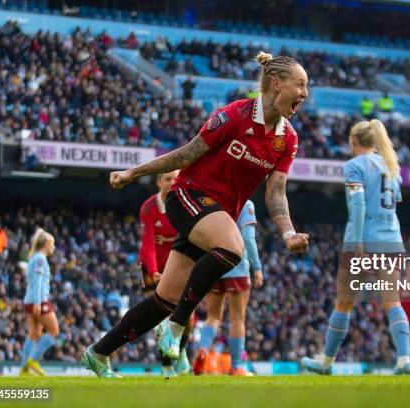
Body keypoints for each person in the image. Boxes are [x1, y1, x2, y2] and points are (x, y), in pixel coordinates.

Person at [81, 51, 310, 378]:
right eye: (300, 84)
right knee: (233, 248)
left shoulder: (287, 139)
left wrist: (288, 233)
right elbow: (187, 153)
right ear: (276, 83)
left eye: (307, 86)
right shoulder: (234, 115)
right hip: (188, 196)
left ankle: (98, 353)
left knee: (164, 299)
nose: (305, 93)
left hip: (215, 215)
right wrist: (134, 172)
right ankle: (174, 328)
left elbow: (276, 192)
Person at [301, 119, 410, 375]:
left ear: (353, 141)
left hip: (361, 242)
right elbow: (394, 203)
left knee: (344, 304)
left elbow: (359, 202)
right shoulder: (391, 167)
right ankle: (404, 360)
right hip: (391, 240)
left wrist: (359, 240)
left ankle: (326, 363)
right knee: (393, 303)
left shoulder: (353, 166)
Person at [193, 200, 263, 376]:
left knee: (213, 317)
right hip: (237, 267)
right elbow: (248, 237)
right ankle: (236, 366)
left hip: (213, 265)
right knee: (237, 319)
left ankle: (202, 352)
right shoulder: (245, 203)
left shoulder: (210, 199)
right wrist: (257, 267)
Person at [139, 170, 192, 377]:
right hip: (154, 265)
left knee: (188, 318)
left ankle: (180, 351)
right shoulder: (149, 208)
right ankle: (167, 364)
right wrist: (152, 271)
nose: (172, 182)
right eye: (168, 178)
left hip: (180, 261)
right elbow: (148, 244)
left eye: (175, 178)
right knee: (160, 317)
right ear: (159, 182)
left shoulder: (185, 203)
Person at [19, 228, 59, 376]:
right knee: (54, 331)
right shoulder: (40, 259)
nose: (53, 247)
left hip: (29, 300)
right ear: (46, 243)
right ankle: (33, 360)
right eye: (52, 244)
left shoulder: (34, 258)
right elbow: (37, 282)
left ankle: (24, 369)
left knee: (33, 335)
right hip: (38, 300)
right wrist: (38, 303)